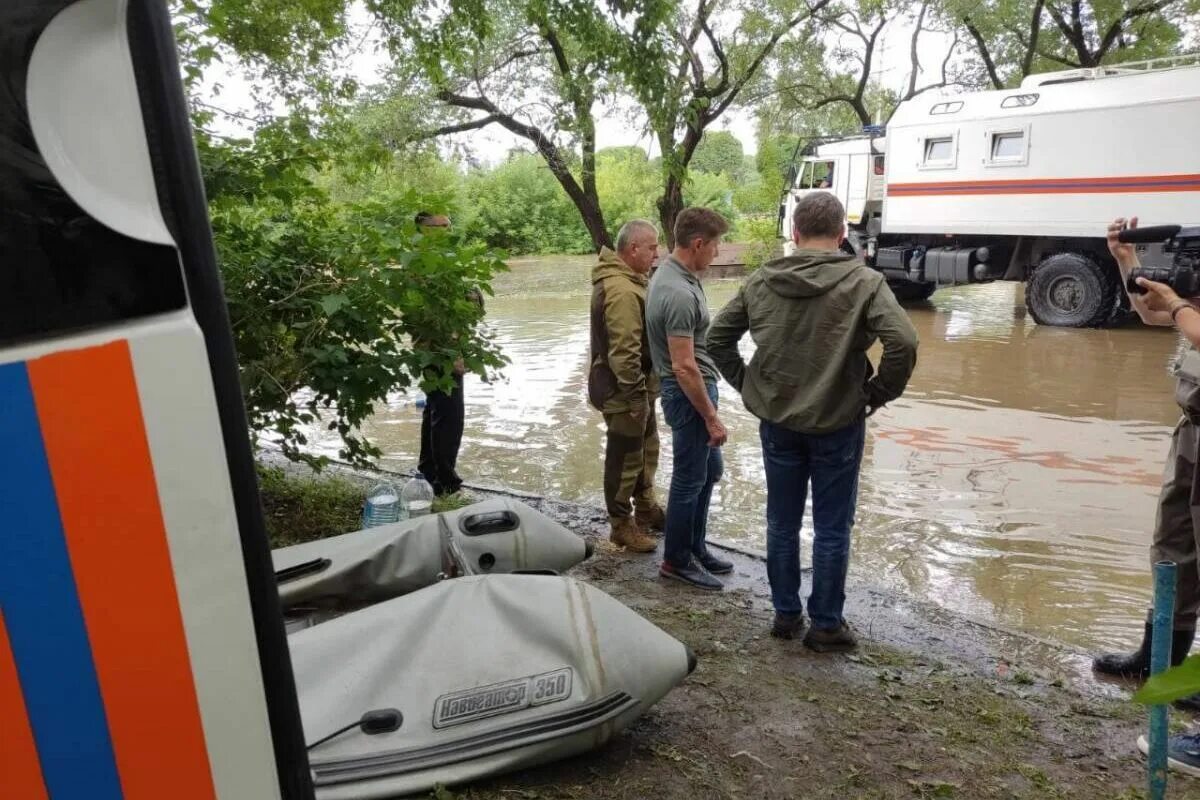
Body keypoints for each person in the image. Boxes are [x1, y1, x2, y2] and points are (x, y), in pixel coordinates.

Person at [708, 192, 918, 651]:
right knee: (832, 526)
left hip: (778, 420)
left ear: (795, 234)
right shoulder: (865, 281)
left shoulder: (762, 280)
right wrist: (877, 394)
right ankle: (826, 624)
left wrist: (749, 386)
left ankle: (785, 615)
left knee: (781, 522)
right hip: (839, 422)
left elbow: (716, 338)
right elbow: (903, 342)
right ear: (842, 234)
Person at [1095, 216, 1200, 694]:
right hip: (1192, 435)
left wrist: (1178, 302)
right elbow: (1152, 314)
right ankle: (1159, 661)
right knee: (1172, 551)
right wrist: (1127, 260)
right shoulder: (1189, 304)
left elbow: (1177, 313)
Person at [645, 207, 734, 591]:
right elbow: (683, 367)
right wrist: (711, 416)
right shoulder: (678, 292)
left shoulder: (673, 273)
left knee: (709, 472)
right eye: (715, 246)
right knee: (689, 478)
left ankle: (695, 547)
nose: (718, 253)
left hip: (692, 390)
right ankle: (676, 560)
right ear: (698, 244)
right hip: (688, 393)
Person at [588, 220, 666, 553]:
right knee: (624, 458)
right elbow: (624, 349)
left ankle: (646, 509)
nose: (657, 253)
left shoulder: (631, 281)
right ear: (633, 248)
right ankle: (621, 525)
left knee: (646, 449)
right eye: (652, 247)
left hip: (637, 387)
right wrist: (636, 397)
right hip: (622, 391)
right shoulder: (620, 289)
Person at [414, 210, 480, 497]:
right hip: (439, 353)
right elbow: (428, 318)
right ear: (423, 229)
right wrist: (451, 354)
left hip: (443, 349)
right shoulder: (422, 265)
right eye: (441, 227)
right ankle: (445, 484)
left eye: (449, 225)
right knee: (450, 417)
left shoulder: (442, 262)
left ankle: (428, 472)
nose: (447, 231)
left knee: (435, 412)